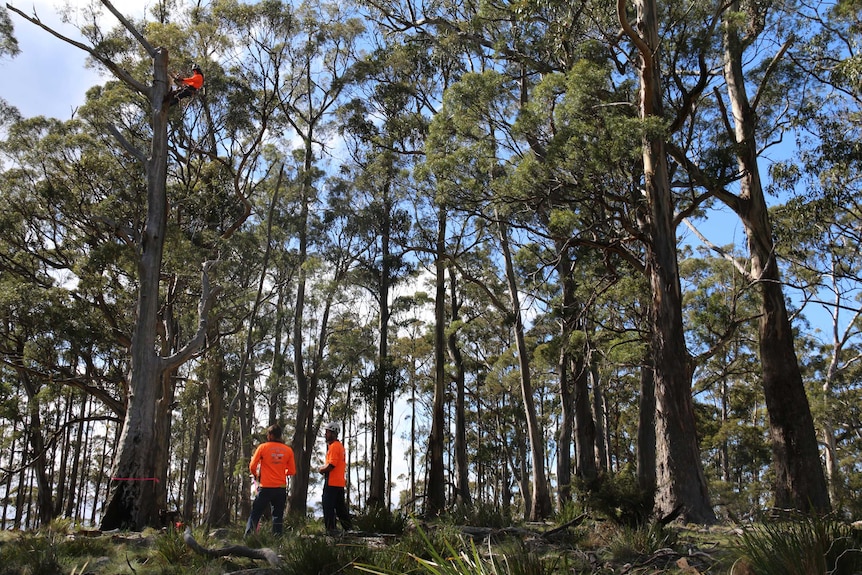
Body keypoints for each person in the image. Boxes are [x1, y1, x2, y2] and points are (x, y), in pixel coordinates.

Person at [246, 423, 295, 536]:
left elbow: (252, 466)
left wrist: (256, 475)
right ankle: (277, 540)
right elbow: (292, 471)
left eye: (268, 434)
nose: (267, 437)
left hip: (265, 487)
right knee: (278, 516)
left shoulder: (263, 447)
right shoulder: (288, 450)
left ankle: (248, 537)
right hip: (280, 488)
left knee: (256, 513)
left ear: (271, 435)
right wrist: (282, 472)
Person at [318, 421, 352, 534]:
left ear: (333, 433)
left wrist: (321, 469)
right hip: (339, 483)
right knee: (340, 508)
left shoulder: (334, 447)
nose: (325, 434)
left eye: (327, 432)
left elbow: (331, 465)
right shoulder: (340, 446)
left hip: (332, 482)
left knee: (328, 507)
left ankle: (331, 530)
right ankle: (349, 529)